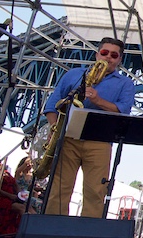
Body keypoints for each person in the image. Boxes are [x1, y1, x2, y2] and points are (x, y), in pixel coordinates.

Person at [42, 37, 135, 217]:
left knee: (95, 191)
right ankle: (53, 230)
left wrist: (97, 100)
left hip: (100, 141)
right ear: (96, 54)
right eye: (104, 53)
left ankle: (86, 235)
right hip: (67, 137)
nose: (108, 58)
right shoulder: (73, 75)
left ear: (119, 60)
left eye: (114, 55)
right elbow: (52, 104)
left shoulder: (125, 84)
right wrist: (54, 130)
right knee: (59, 188)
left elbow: (123, 111)